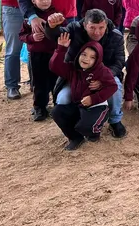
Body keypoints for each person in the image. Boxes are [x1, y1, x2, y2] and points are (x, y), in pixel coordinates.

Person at [53, 9, 127, 138]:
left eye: (101, 27)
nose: (97, 32)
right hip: (76, 76)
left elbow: (119, 62)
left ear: (106, 24)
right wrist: (51, 26)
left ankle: (115, 120)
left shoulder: (116, 36)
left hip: (105, 75)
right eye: (92, 27)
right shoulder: (74, 29)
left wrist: (102, 78)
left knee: (116, 87)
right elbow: (56, 35)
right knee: (62, 98)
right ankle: (74, 124)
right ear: (85, 25)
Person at [49, 33, 118, 151]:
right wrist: (61, 49)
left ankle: (94, 133)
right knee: (57, 112)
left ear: (98, 59)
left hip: (97, 107)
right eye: (84, 54)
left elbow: (112, 86)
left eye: (92, 57)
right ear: (79, 54)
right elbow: (54, 67)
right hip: (78, 104)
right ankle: (75, 138)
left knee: (85, 127)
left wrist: (93, 98)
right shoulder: (73, 68)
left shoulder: (102, 70)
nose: (86, 59)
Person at [18, 0, 66, 122]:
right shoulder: (30, 18)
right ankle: (40, 107)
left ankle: (59, 106)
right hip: (37, 55)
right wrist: (31, 38)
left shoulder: (57, 14)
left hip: (55, 54)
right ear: (33, 1)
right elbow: (21, 35)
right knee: (39, 83)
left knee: (56, 81)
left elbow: (65, 28)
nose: (45, 1)